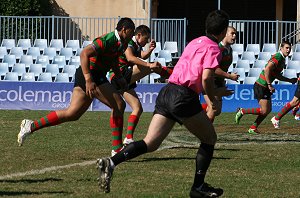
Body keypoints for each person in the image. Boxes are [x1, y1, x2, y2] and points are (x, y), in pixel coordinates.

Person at [96, 10, 229, 197]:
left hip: (167, 92)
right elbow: (206, 77)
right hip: (184, 96)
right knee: (209, 139)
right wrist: (214, 96)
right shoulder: (215, 48)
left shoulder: (194, 43)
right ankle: (198, 187)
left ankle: (111, 162)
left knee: (150, 143)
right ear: (223, 31)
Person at [17, 17, 136, 155]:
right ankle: (117, 149)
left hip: (94, 75)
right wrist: (88, 79)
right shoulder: (108, 39)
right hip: (91, 75)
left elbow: (113, 60)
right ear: (124, 30)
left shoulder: (121, 43)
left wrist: (119, 77)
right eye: (131, 32)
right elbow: (84, 53)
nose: (132, 35)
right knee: (119, 104)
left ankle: (31, 125)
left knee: (72, 114)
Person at [108, 25, 172, 155]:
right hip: (119, 75)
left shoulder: (137, 46)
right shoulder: (130, 42)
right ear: (138, 35)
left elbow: (141, 56)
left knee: (137, 108)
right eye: (146, 38)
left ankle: (128, 138)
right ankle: (173, 76)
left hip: (125, 77)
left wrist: (150, 50)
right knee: (151, 66)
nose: (147, 41)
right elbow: (131, 58)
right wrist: (149, 64)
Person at [235, 41, 298, 134]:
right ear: (281, 48)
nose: (288, 50)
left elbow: (276, 74)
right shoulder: (277, 57)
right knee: (264, 110)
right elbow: (267, 69)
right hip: (261, 85)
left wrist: (290, 80)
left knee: (267, 110)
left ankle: (253, 128)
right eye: (286, 48)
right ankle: (242, 111)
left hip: (265, 86)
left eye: (289, 48)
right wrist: (269, 84)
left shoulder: (282, 59)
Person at [203, 26, 239, 122]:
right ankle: (206, 134)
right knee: (213, 109)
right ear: (224, 34)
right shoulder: (218, 48)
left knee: (217, 111)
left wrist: (227, 76)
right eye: (232, 33)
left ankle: (196, 110)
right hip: (211, 80)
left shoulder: (229, 49)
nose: (234, 36)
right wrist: (229, 76)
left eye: (235, 34)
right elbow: (213, 69)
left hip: (219, 81)